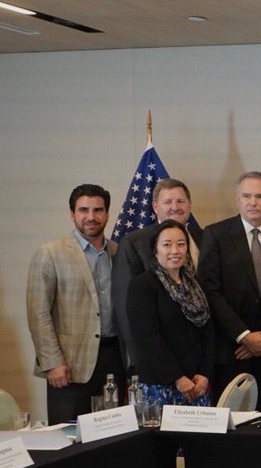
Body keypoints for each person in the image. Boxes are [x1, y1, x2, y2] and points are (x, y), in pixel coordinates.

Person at [197, 172, 261, 410]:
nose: (253, 202)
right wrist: (244, 336)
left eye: (260, 196)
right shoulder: (215, 234)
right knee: (231, 425)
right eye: (247, 196)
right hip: (231, 351)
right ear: (237, 199)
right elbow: (210, 291)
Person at [26, 184, 123, 423]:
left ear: (107, 214)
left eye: (98, 210)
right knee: (69, 436)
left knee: (114, 434)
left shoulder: (119, 253)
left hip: (114, 360)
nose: (91, 217)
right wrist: (52, 363)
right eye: (83, 210)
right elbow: (38, 313)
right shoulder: (50, 253)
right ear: (72, 214)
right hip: (69, 366)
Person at [112, 178, 204, 374]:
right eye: (167, 202)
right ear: (155, 207)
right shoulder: (134, 243)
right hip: (157, 361)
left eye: (181, 201)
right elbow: (126, 309)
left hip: (199, 357)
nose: (175, 207)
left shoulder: (205, 237)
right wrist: (139, 361)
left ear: (189, 204)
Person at [125, 220, 214, 407]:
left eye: (181, 244)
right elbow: (147, 339)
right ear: (155, 250)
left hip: (197, 384)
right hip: (160, 384)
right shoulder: (142, 285)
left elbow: (209, 332)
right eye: (167, 245)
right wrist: (177, 377)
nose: (175, 251)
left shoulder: (195, 284)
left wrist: (205, 373)